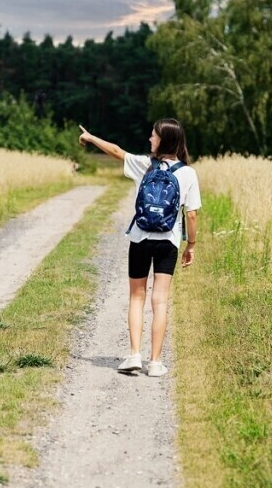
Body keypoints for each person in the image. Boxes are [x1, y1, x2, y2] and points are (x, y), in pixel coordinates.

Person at [78, 119, 201, 377]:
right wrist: (190, 244)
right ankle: (155, 363)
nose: (149, 139)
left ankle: (134, 355)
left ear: (163, 140)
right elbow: (191, 215)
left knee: (137, 297)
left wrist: (91, 138)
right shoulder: (188, 173)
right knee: (160, 300)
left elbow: (115, 151)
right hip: (168, 242)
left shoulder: (145, 165)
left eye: (153, 136)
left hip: (140, 239)